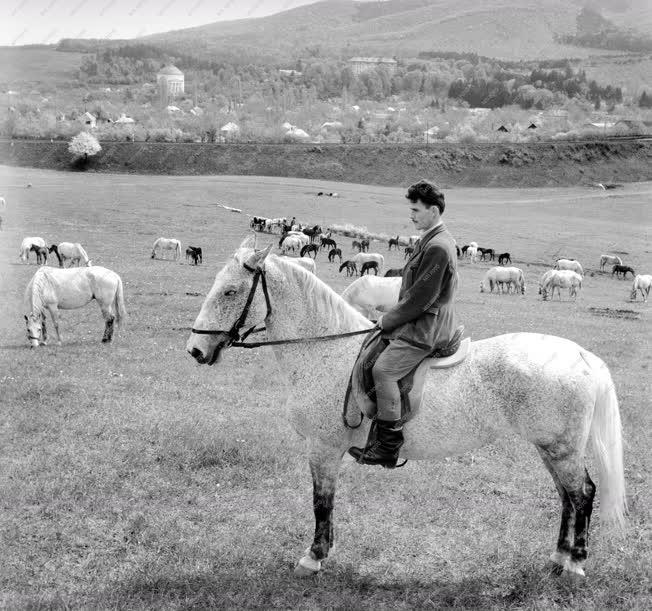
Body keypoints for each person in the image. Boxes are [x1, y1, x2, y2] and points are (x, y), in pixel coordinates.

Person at [348, 179, 459, 468]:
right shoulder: (431, 240)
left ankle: (388, 446)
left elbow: (420, 299)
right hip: (417, 318)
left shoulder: (439, 247)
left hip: (428, 327)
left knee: (383, 371)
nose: (410, 216)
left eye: (415, 210)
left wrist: (388, 319)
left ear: (433, 211)